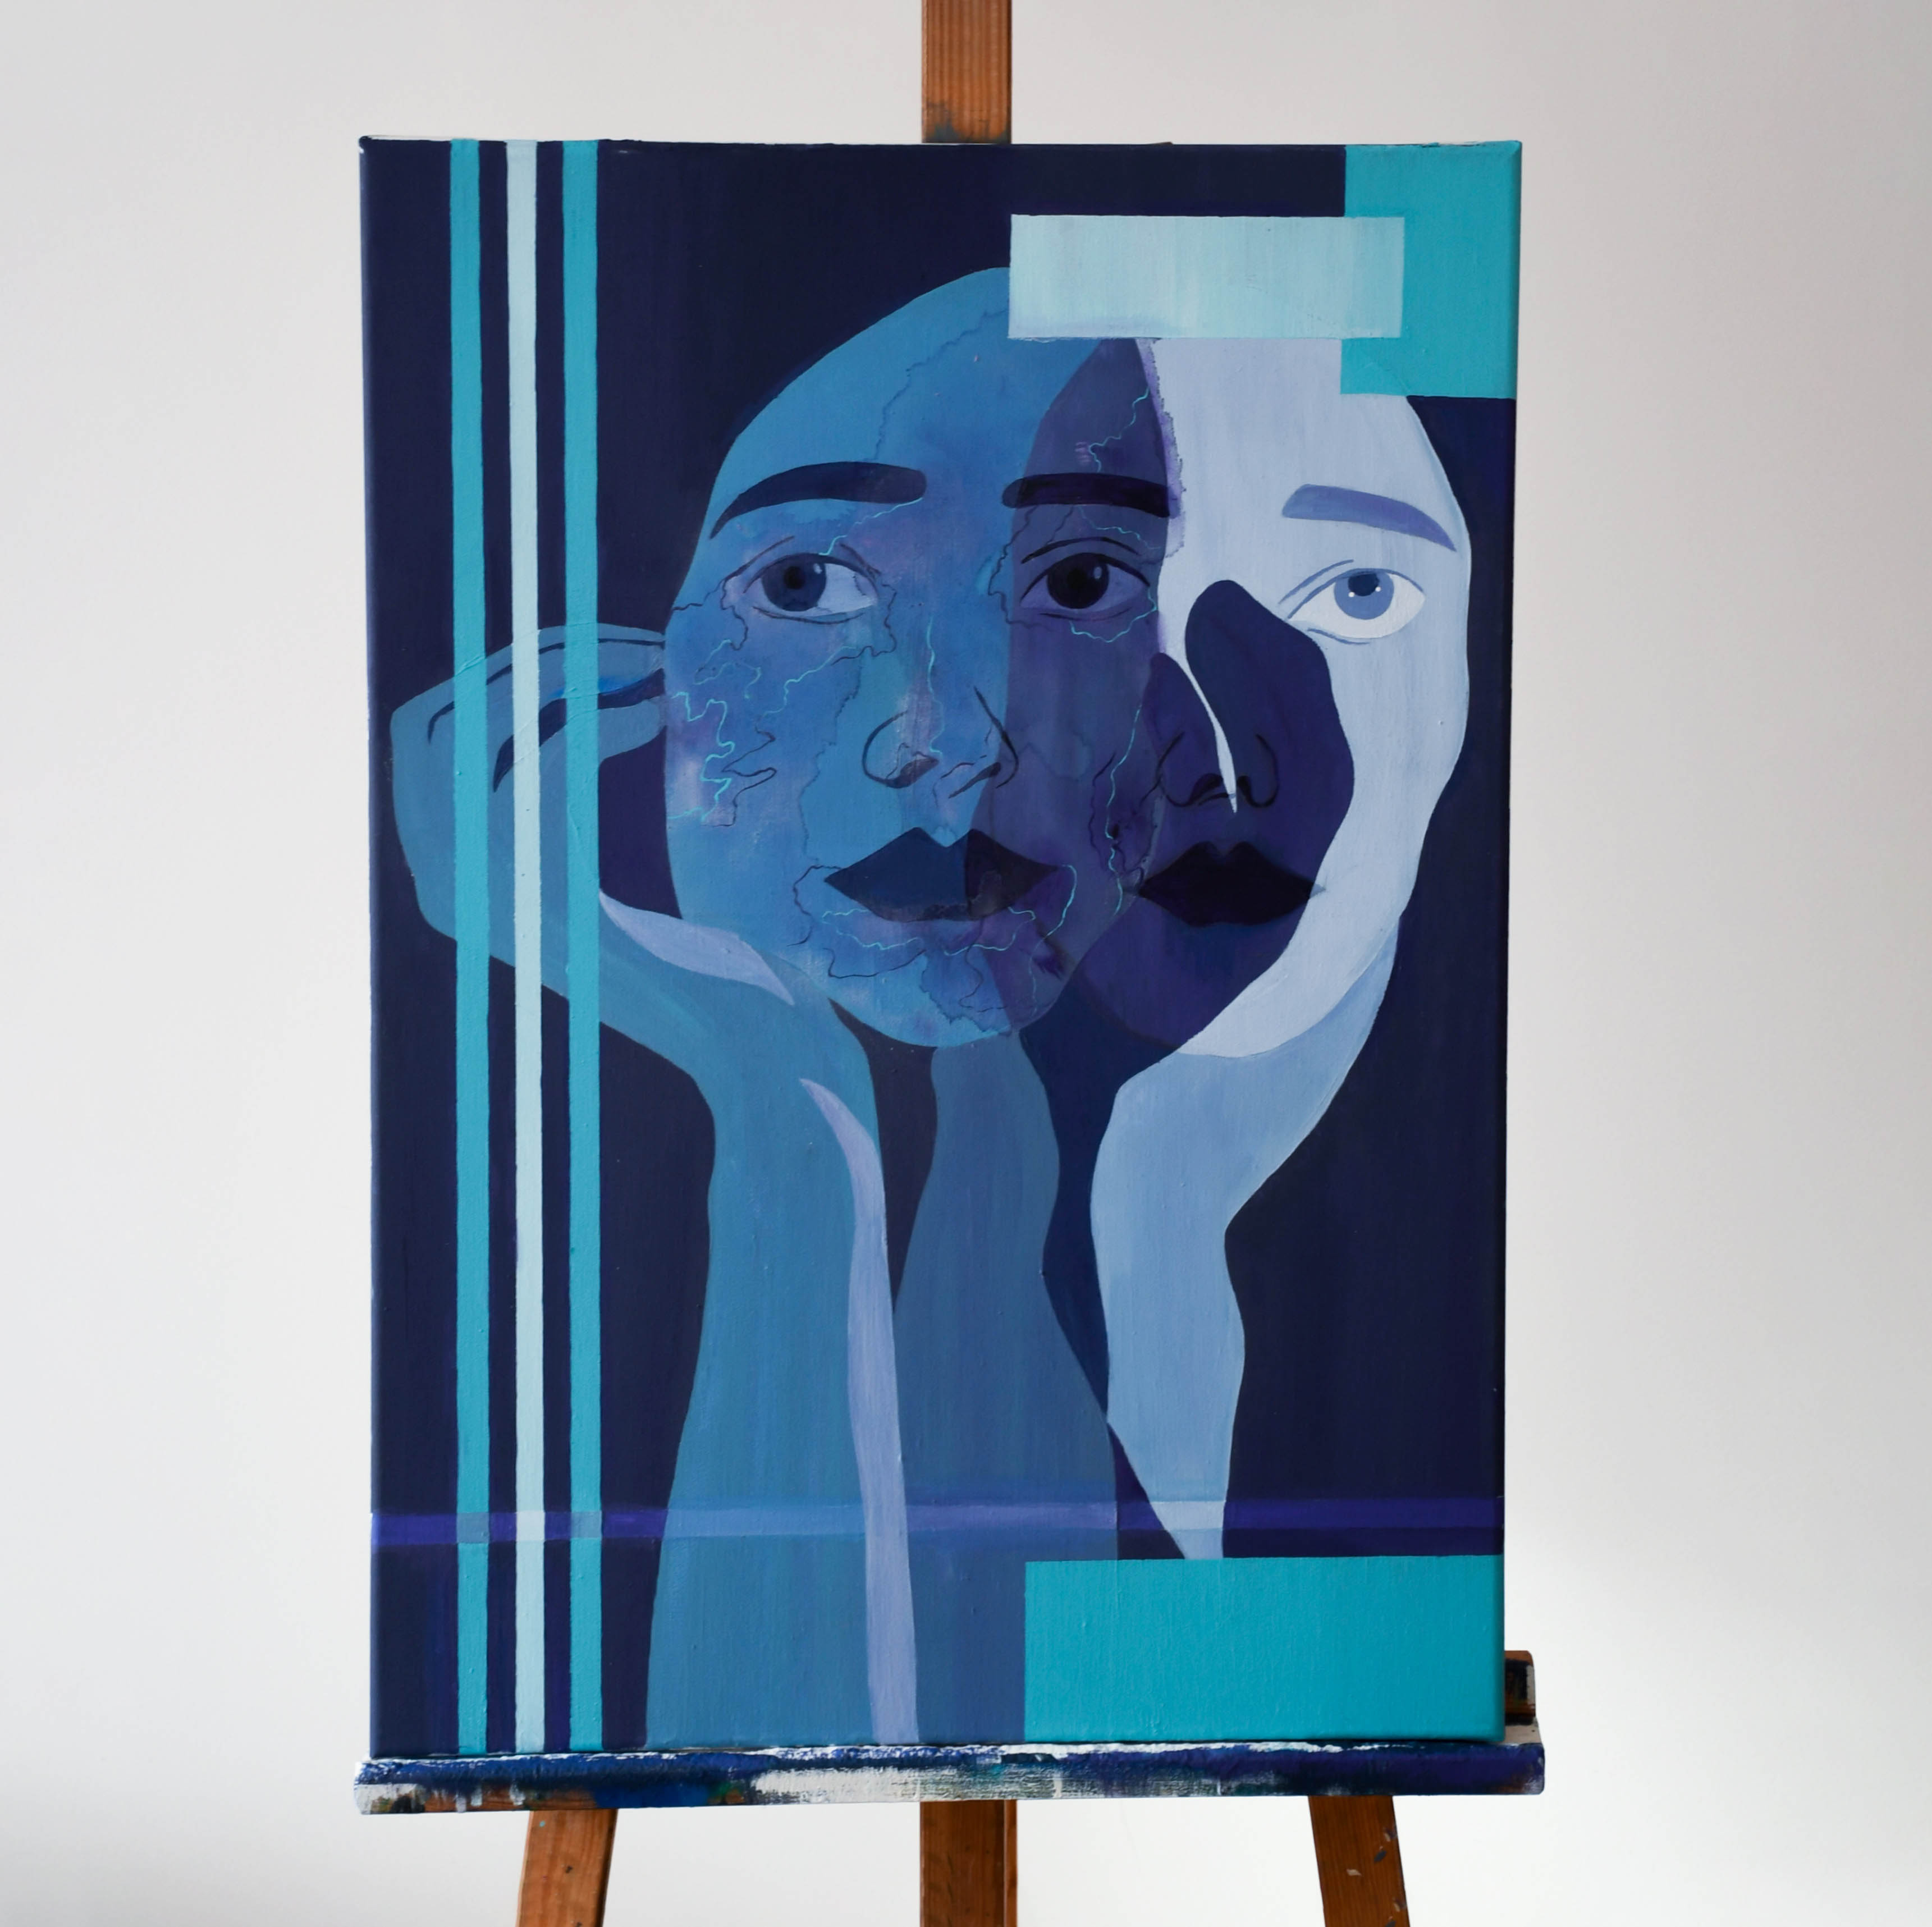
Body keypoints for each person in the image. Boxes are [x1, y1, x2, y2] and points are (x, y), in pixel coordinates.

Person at [390, 278, 1475, 1738]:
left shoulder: (1387, 1347)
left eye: (1356, 593)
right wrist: (781, 1104)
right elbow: (802, 1715)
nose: (942, 741)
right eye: (803, 586)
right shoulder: (982, 1149)